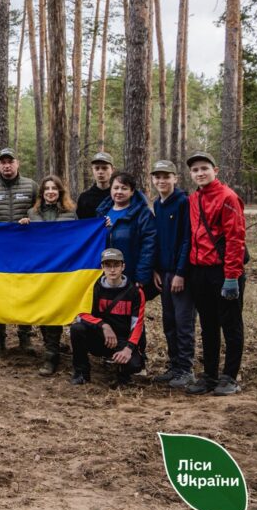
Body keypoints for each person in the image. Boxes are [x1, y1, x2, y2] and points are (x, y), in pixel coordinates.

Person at [183, 151, 247, 396]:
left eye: (204, 168)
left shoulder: (228, 197)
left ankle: (229, 377)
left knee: (230, 325)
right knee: (208, 325)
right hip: (199, 271)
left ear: (215, 170)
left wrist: (231, 277)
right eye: (195, 170)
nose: (200, 173)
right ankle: (209, 376)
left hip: (224, 271)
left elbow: (235, 239)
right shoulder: (193, 199)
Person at [19, 175, 77, 375]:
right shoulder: (32, 213)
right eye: (47, 188)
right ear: (42, 193)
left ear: (60, 192)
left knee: (55, 308)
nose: (50, 191)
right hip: (39, 270)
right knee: (43, 308)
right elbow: (26, 243)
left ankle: (52, 353)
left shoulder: (71, 214)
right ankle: (51, 348)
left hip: (61, 271)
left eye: (54, 188)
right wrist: (23, 226)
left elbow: (78, 238)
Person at [69, 248, 146, 387]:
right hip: (100, 337)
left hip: (122, 339)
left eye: (116, 265)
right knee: (77, 329)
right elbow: (81, 315)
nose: (112, 270)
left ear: (123, 266)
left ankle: (123, 374)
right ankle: (81, 373)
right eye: (108, 265)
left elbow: (138, 324)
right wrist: (103, 325)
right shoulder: (93, 288)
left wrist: (128, 349)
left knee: (134, 365)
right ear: (102, 267)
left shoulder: (135, 292)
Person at [0, 148, 38, 354]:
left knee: (24, 292)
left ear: (17, 164)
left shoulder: (31, 186)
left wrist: (31, 220)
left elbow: (39, 211)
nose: (7, 166)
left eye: (10, 161)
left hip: (25, 248)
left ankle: (24, 337)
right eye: (3, 162)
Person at [149, 160, 195, 389]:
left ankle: (186, 369)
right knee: (169, 322)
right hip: (164, 273)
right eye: (157, 177)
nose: (161, 181)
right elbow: (158, 239)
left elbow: (188, 239)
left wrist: (180, 272)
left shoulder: (183, 202)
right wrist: (156, 268)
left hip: (181, 274)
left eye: (166, 176)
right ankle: (174, 365)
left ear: (175, 179)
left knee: (183, 321)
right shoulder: (158, 204)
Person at [96, 172, 157, 289]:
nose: (119, 192)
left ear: (132, 191)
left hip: (131, 277)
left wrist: (142, 276)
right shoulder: (102, 212)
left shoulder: (143, 214)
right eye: (116, 188)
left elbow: (149, 247)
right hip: (106, 277)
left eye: (124, 188)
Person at [76, 152, 114, 220]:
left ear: (112, 170)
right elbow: (80, 225)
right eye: (97, 168)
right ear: (92, 170)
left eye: (104, 168)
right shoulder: (84, 198)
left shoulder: (117, 195)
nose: (100, 172)